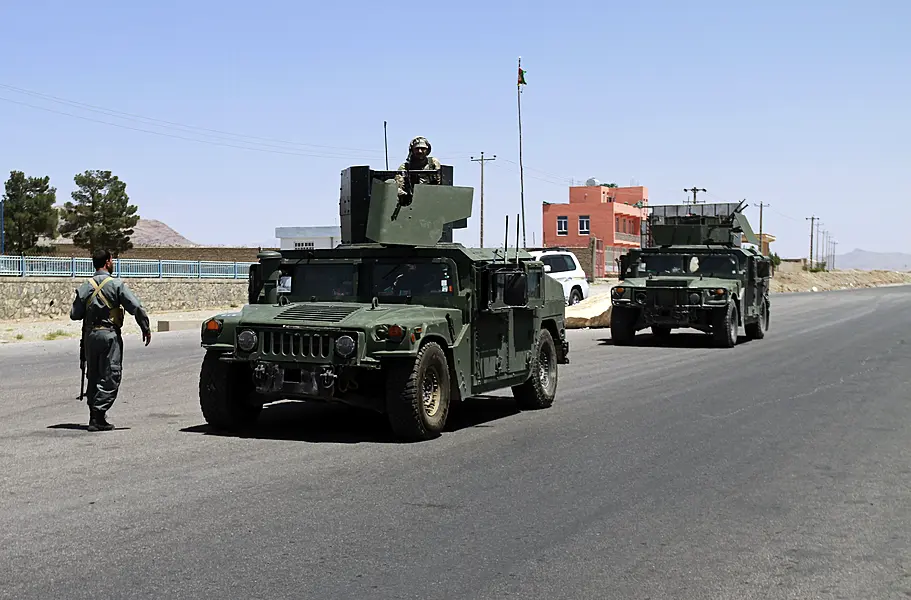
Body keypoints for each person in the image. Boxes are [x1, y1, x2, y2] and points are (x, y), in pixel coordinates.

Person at [70, 248, 152, 431]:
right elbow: (136, 307)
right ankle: (98, 415)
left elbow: (75, 314)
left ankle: (95, 415)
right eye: (112, 260)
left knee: (93, 374)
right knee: (111, 375)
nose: (113, 263)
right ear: (107, 262)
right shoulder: (116, 285)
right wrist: (145, 328)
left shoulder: (85, 286)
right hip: (109, 336)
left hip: (90, 337)